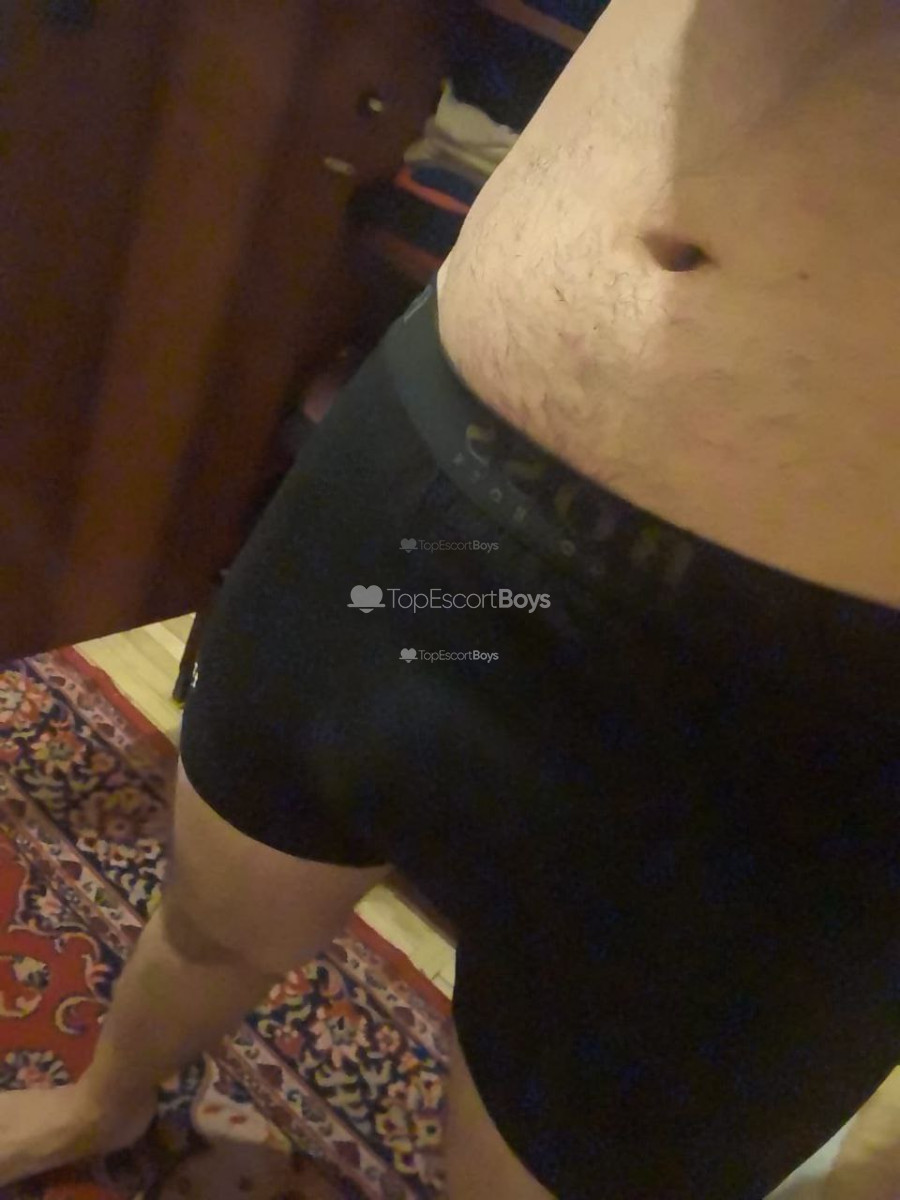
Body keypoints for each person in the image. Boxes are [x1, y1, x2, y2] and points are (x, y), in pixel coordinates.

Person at [1, 1, 897, 1195]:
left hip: (819, 716)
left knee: (554, 1170)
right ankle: (104, 1103)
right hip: (425, 459)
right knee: (211, 918)